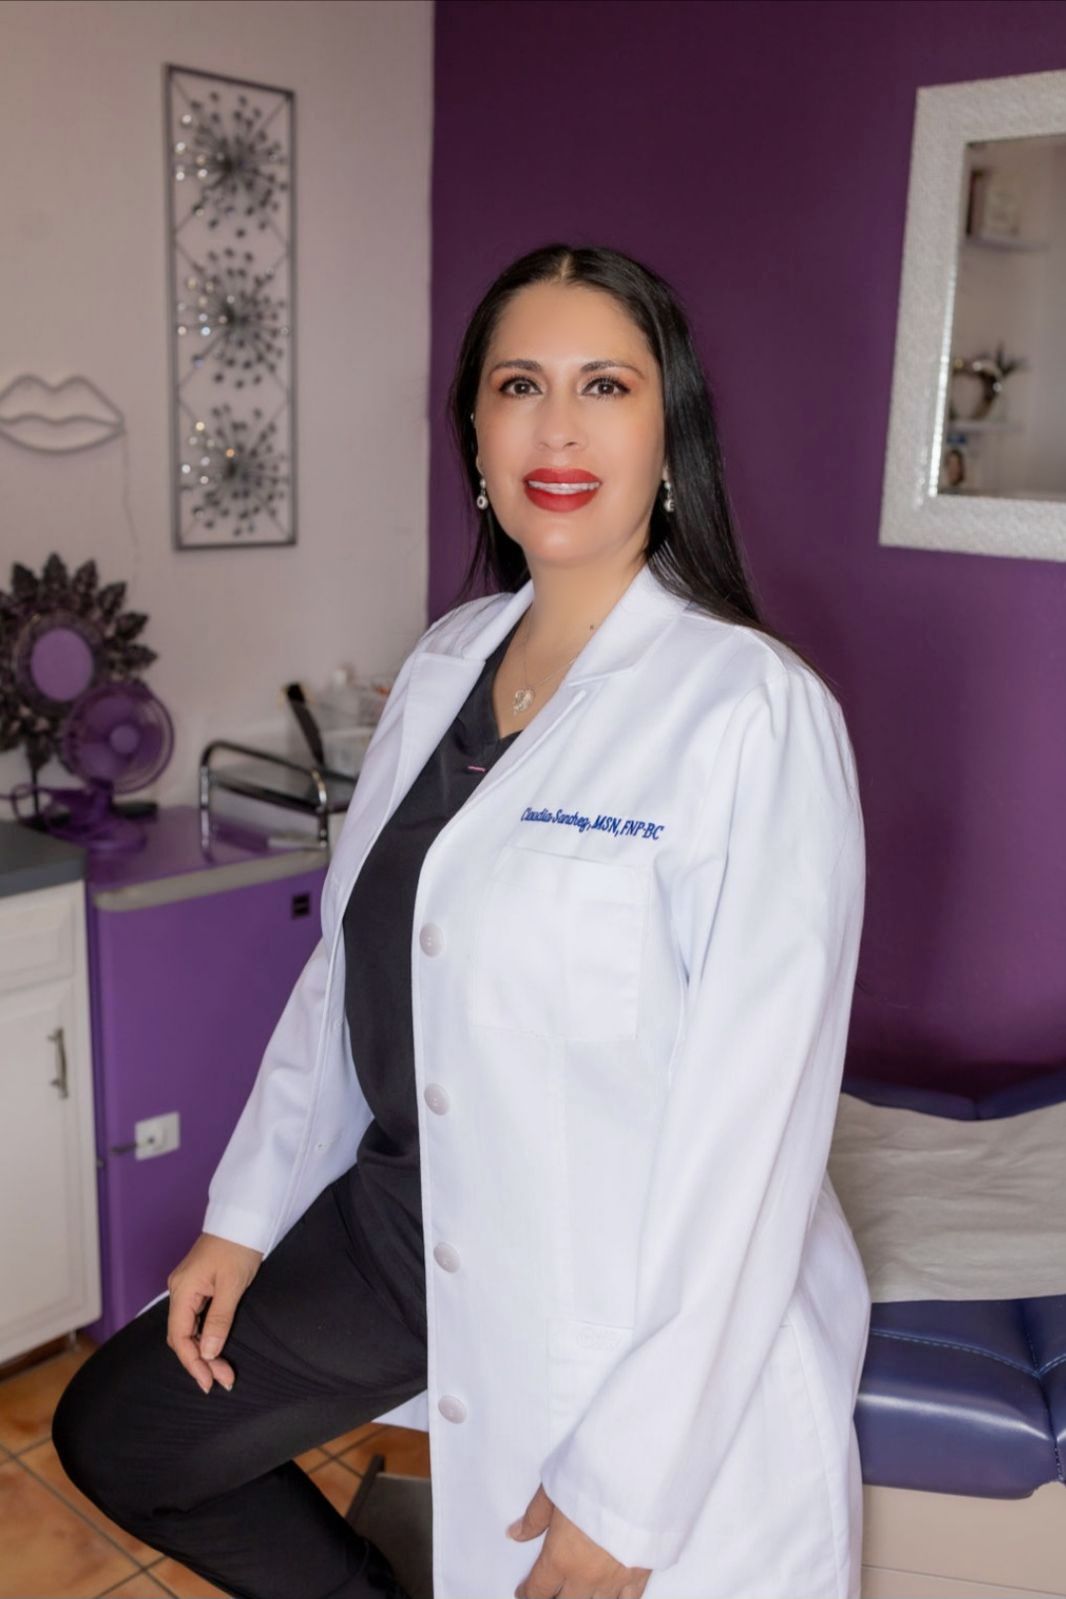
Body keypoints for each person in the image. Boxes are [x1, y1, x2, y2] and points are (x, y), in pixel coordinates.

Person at [52, 243, 870, 1599]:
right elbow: (348, 978)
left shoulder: (749, 711)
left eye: (603, 384)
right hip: (401, 1223)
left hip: (615, 1271)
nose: (556, 426)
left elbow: (755, 1133)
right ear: (476, 436)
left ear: (670, 434)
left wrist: (628, 1491)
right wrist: (244, 1215)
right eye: (517, 385)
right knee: (127, 1430)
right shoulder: (443, 666)